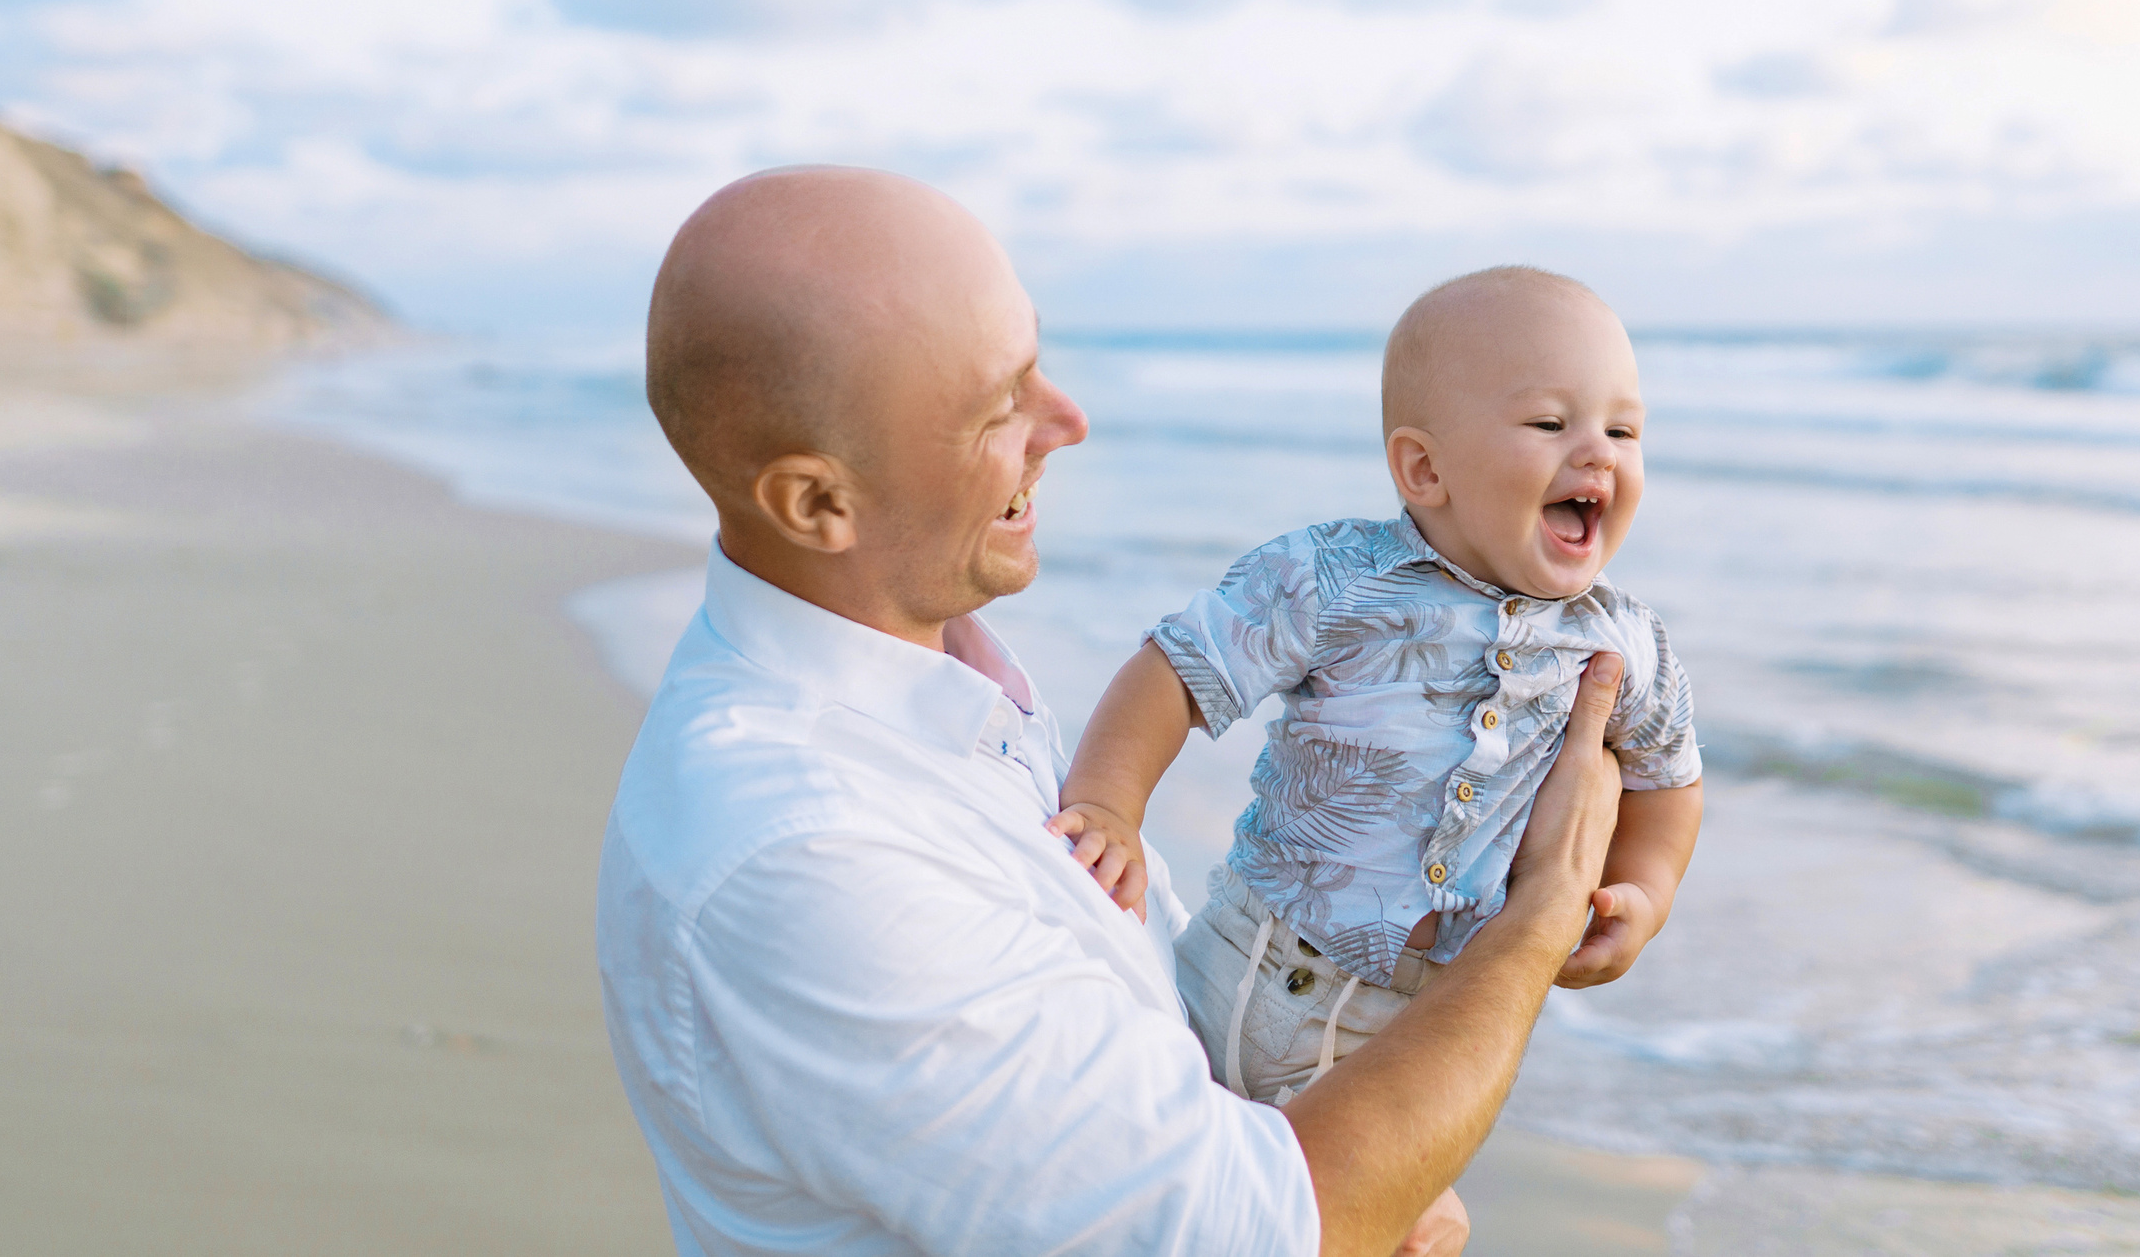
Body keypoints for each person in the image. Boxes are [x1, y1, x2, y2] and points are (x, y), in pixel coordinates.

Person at [596, 169, 1628, 1257]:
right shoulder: (807, 852)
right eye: (998, 406)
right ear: (816, 503)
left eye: (1036, 360)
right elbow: (1265, 1233)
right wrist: (1536, 922)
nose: (1067, 421)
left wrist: (1380, 1167)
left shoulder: (927, 690)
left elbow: (1141, 1050)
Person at [1052, 266, 1702, 1104]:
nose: (1597, 452)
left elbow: (1668, 780)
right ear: (1425, 469)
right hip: (1255, 969)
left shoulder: (1627, 643)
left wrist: (1645, 891)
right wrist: (1110, 803)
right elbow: (1180, 668)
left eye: (1625, 430)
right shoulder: (1335, 577)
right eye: (1550, 421)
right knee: (1161, 1166)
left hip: (1432, 1028)